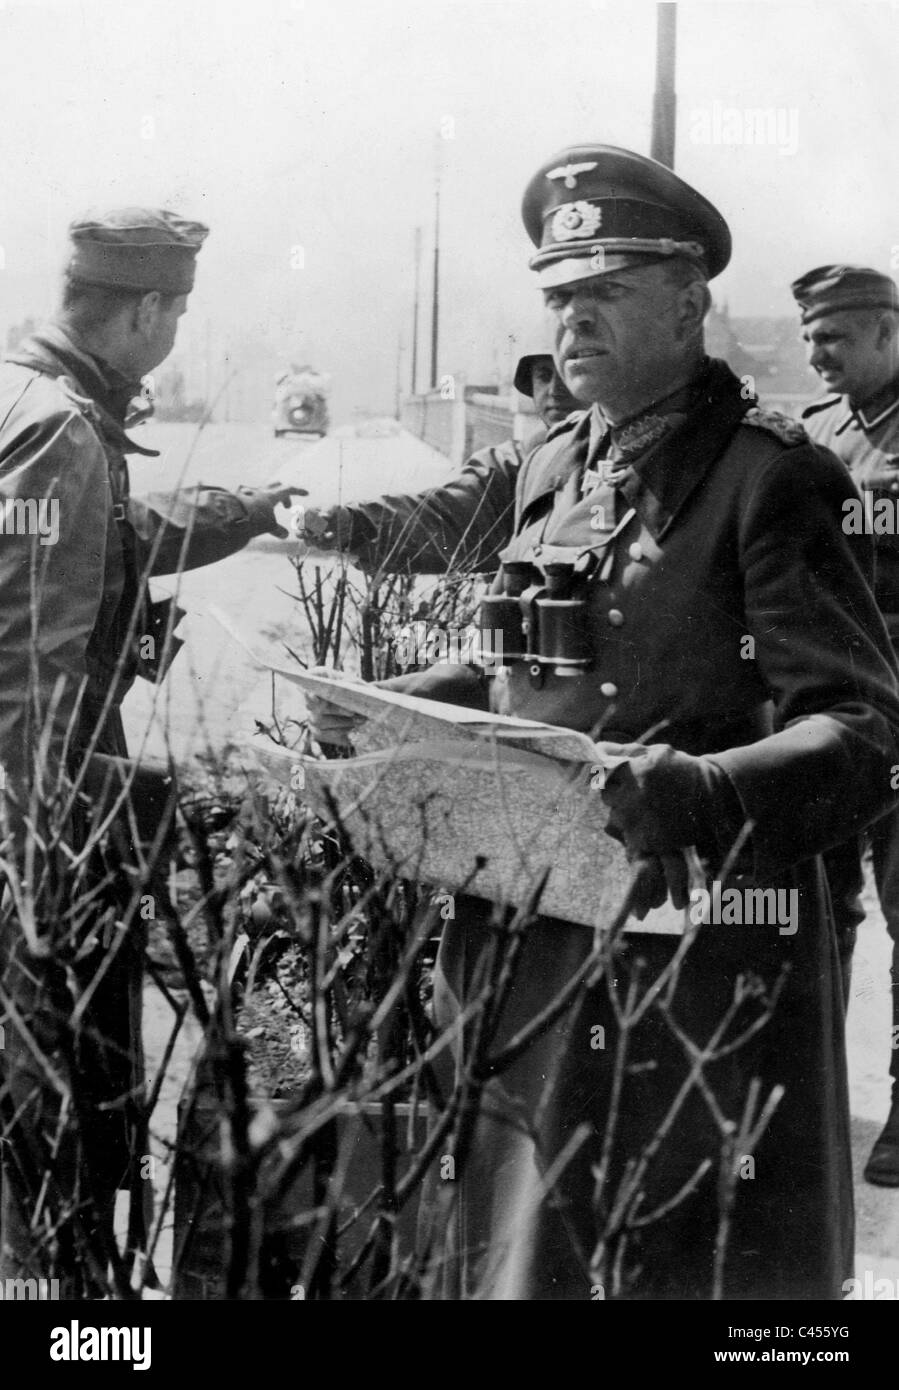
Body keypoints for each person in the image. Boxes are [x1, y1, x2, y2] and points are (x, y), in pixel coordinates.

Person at [308, 146, 899, 1300]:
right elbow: (526, 657)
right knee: (519, 1249)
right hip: (527, 928)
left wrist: (702, 786)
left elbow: (861, 729)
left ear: (687, 307)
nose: (572, 319)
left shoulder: (769, 481)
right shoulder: (554, 459)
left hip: (692, 946)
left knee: (674, 1265)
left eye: (604, 292)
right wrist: (396, 715)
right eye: (559, 295)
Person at [0, 207, 301, 1288]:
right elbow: (27, 677)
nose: (175, 334)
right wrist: (91, 833)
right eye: (175, 311)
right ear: (146, 310)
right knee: (57, 1113)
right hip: (41, 835)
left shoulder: (30, 402)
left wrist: (249, 509)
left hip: (40, 802)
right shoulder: (61, 433)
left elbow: (115, 539)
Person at [792, 264, 899, 1186]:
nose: (813, 353)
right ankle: (812, 1091)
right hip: (836, 708)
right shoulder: (810, 438)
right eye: (808, 336)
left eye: (832, 337)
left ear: (885, 332)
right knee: (821, 905)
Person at [292, 350, 580, 575]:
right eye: (544, 375)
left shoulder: (619, 457)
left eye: (570, 372)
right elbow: (449, 514)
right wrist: (357, 523)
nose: (555, 390)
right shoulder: (519, 465)